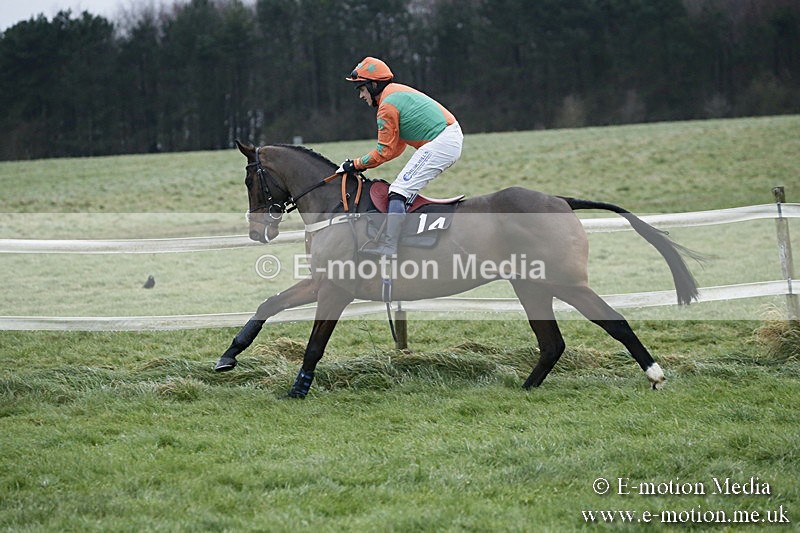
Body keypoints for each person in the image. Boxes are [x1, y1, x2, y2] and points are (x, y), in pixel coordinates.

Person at [340, 56, 463, 258]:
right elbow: (395, 149)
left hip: (442, 141)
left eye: (361, 89)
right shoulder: (394, 93)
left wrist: (355, 164)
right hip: (447, 138)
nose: (361, 96)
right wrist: (360, 165)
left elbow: (384, 151)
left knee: (399, 189)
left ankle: (389, 247)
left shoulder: (387, 106)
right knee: (403, 189)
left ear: (373, 85)